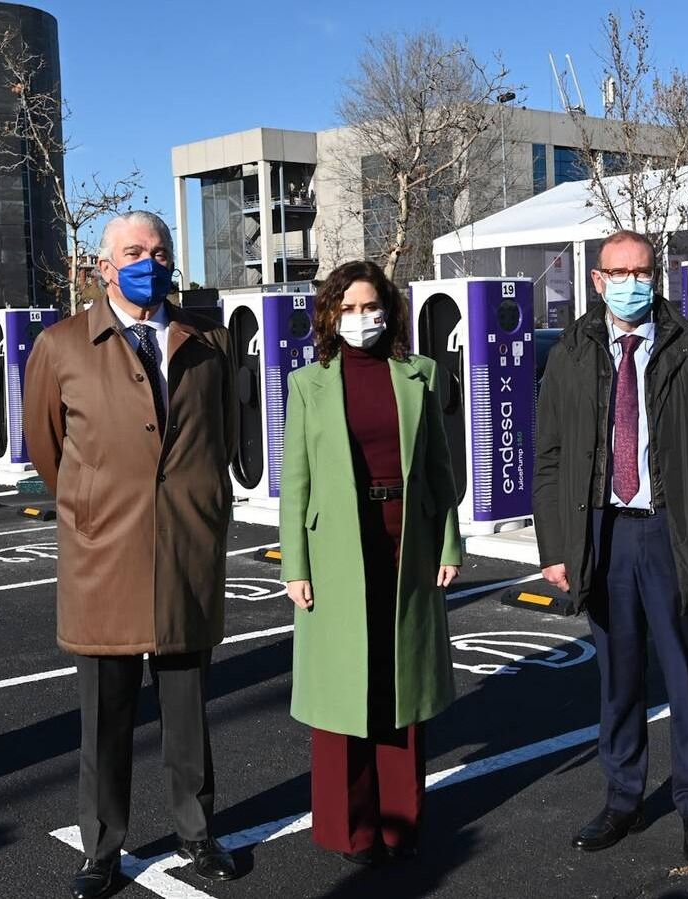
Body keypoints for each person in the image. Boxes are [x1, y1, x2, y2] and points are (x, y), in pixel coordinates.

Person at [25, 211, 241, 898]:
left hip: (184, 548)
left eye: (157, 250)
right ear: (103, 266)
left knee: (187, 708)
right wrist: (96, 507)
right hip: (105, 555)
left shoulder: (207, 338)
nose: (148, 260)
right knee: (104, 715)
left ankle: (196, 830)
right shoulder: (61, 346)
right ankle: (101, 847)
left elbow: (222, 434)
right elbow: (46, 449)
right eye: (132, 251)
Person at [532, 230, 688, 867]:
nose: (631, 281)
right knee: (618, 679)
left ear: (655, 276)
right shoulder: (571, 352)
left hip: (675, 533)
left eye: (642, 270)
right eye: (618, 271)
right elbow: (548, 457)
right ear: (597, 279)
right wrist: (556, 546)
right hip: (601, 534)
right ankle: (623, 799)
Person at [279, 259, 463, 866]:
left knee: (399, 683)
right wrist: (294, 566)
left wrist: (448, 544)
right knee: (342, 689)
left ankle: (399, 823)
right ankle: (348, 828)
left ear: (388, 309)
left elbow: (440, 471)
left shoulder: (419, 374)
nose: (362, 319)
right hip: (335, 549)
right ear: (330, 315)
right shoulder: (310, 384)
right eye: (348, 309)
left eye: (370, 307)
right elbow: (296, 481)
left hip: (404, 542)